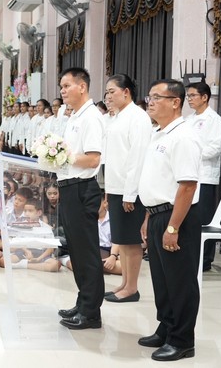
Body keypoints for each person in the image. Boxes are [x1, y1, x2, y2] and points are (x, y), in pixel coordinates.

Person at [138, 79, 202, 362]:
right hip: (157, 214)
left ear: (175, 102)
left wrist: (173, 227)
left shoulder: (184, 136)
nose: (150, 102)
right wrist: (148, 217)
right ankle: (166, 328)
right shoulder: (159, 133)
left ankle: (182, 340)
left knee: (180, 281)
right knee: (162, 280)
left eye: (156, 97)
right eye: (149, 97)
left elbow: (187, 186)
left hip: (177, 216)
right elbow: (156, 180)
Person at [56, 67, 105, 330]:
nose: (62, 91)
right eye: (61, 87)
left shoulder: (91, 117)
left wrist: (61, 157)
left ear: (82, 87)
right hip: (69, 186)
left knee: (86, 252)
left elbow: (93, 158)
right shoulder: (75, 116)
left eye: (66, 86)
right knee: (75, 250)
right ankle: (83, 301)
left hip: (82, 188)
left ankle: (91, 312)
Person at [103, 74, 151, 303]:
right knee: (121, 239)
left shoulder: (138, 117)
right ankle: (124, 283)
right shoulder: (116, 117)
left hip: (129, 190)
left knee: (131, 240)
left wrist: (130, 193)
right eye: (107, 92)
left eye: (112, 91)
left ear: (126, 92)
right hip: (116, 186)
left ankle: (132, 288)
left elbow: (137, 158)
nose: (108, 96)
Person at [185, 81, 221, 268]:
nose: (189, 99)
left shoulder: (214, 120)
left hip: (205, 176)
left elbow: (214, 149)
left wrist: (192, 153)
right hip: (189, 175)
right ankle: (192, 256)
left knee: (203, 218)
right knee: (190, 218)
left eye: (193, 95)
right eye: (188, 96)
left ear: (205, 97)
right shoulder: (189, 119)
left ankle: (206, 259)